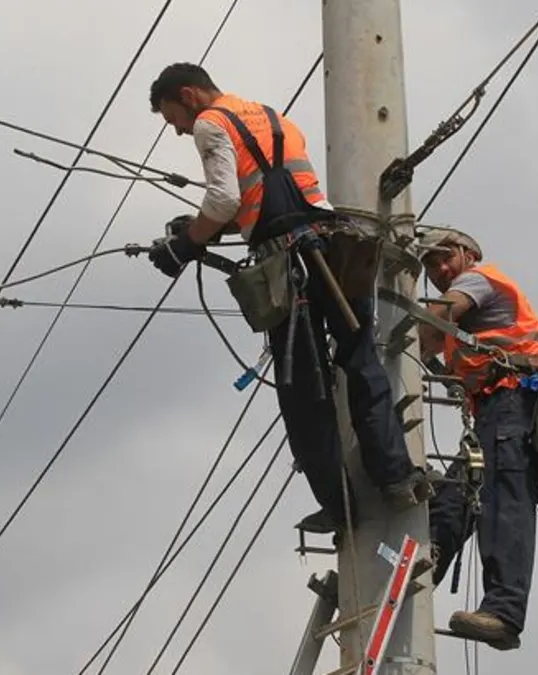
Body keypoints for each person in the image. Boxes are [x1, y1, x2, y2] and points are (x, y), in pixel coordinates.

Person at [145, 62, 432, 534]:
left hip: (287, 265)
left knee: (304, 390)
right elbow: (269, 191)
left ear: (189, 95)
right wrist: (203, 233)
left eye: (170, 116)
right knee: (362, 361)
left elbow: (222, 201)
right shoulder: (272, 116)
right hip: (334, 248)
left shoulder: (209, 123)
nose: (176, 130)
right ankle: (396, 477)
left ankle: (340, 506)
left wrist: (185, 245)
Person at [415, 226, 538, 651]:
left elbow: (431, 326)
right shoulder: (464, 309)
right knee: (456, 498)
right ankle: (422, 571)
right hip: (493, 411)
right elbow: (426, 344)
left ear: (467, 253)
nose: (439, 268)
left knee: (503, 501)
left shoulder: (476, 281)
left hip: (515, 403)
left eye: (444, 257)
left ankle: (504, 612)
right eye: (429, 265)